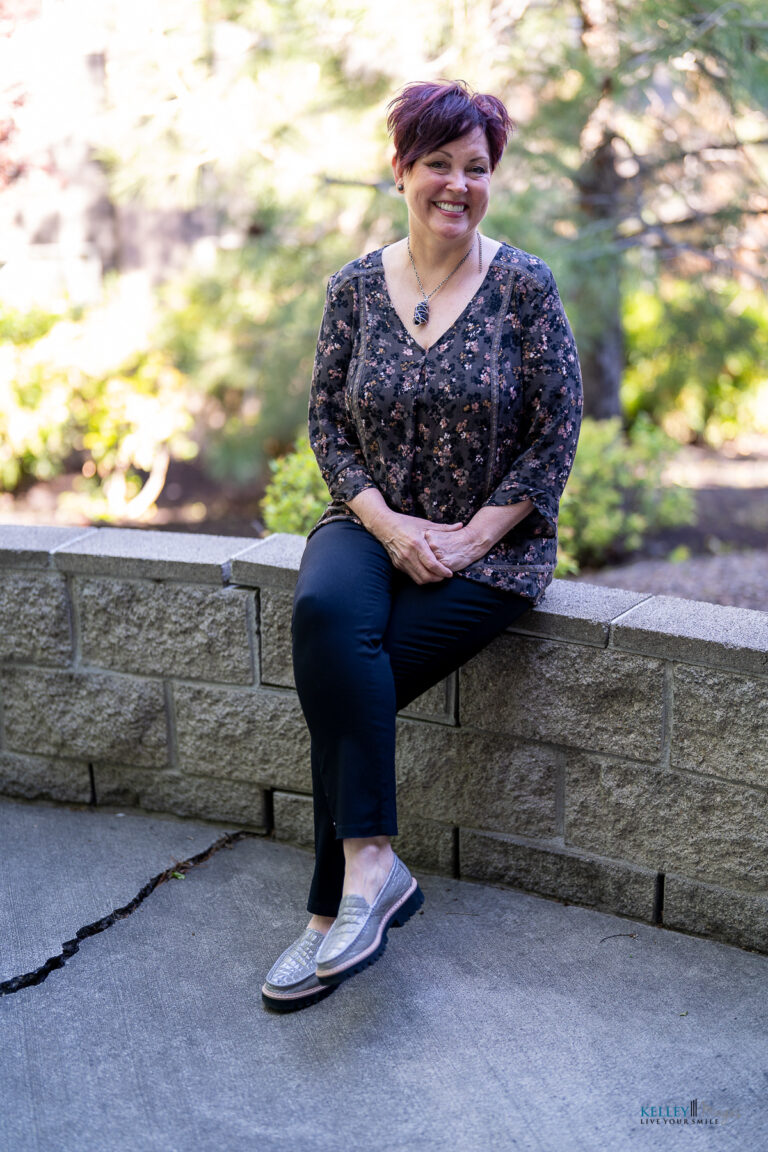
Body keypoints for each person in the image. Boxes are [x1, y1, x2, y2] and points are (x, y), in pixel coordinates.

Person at [261, 80, 583, 1012]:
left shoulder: (524, 286)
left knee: (348, 681)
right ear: (400, 170)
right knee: (325, 612)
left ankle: (327, 918)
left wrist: (478, 532)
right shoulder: (355, 289)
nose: (457, 184)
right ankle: (374, 869)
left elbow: (557, 429)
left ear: (493, 179)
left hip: (493, 549)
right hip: (370, 523)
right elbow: (326, 421)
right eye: (437, 163)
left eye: (476, 168)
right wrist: (390, 525)